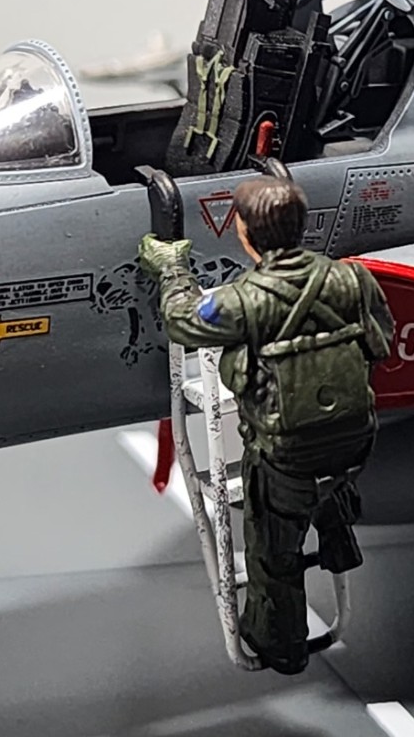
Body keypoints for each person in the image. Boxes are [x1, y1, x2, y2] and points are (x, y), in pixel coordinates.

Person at [138, 176, 394, 674]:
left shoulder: (243, 301)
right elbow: (379, 342)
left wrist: (171, 267)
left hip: (285, 455)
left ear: (246, 233)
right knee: (330, 476)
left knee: (272, 553)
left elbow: (183, 319)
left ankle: (282, 645)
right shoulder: (352, 280)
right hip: (355, 440)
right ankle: (337, 539)